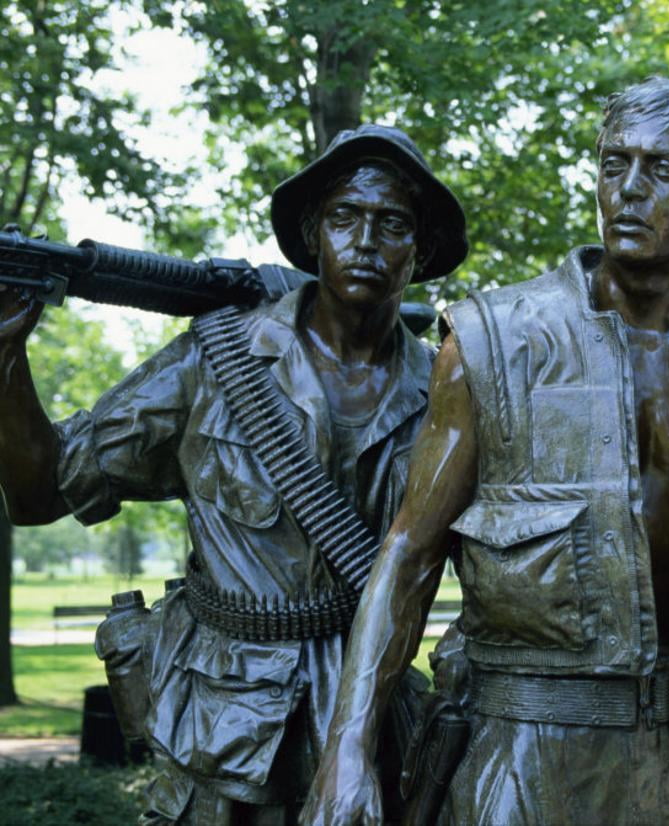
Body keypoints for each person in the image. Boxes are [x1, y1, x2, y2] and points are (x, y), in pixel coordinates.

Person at [302, 77, 669, 826]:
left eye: (663, 169)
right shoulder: (492, 341)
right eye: (613, 164)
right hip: (524, 757)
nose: (629, 189)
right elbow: (409, 553)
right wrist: (348, 749)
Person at [0, 124, 467, 824]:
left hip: (371, 726)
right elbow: (40, 491)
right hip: (219, 730)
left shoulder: (450, 394)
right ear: (313, 234)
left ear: (421, 250)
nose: (365, 241)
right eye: (345, 217)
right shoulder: (215, 360)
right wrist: (6, 357)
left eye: (392, 223)